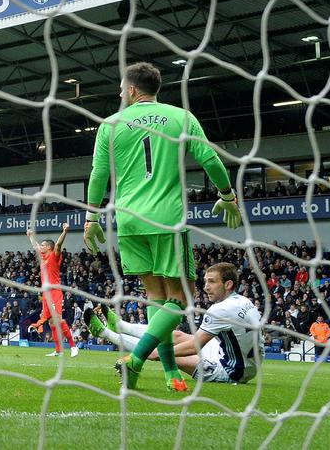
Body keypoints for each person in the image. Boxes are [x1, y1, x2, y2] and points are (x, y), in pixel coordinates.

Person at [83, 62, 242, 392]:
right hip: (167, 219)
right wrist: (227, 195)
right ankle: (136, 359)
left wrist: (91, 218)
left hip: (128, 222)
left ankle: (171, 374)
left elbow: (98, 175)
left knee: (158, 301)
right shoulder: (180, 117)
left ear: (131, 90)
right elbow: (209, 159)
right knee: (182, 300)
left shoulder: (110, 124)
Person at [88, 263, 262, 384]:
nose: (206, 286)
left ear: (228, 284)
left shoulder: (220, 310)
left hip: (233, 370)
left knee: (161, 353)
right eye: (206, 281)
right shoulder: (244, 301)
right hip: (230, 353)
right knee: (175, 335)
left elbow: (195, 346)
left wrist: (159, 352)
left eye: (212, 282)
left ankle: (104, 333)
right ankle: (120, 326)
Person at [26, 223, 78, 357]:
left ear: (49, 247)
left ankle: (73, 346)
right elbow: (35, 246)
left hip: (55, 292)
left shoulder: (54, 256)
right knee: (51, 322)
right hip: (46, 294)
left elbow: (59, 245)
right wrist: (31, 236)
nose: (41, 247)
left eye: (43, 245)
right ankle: (59, 350)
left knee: (58, 320)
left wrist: (64, 231)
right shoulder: (43, 258)